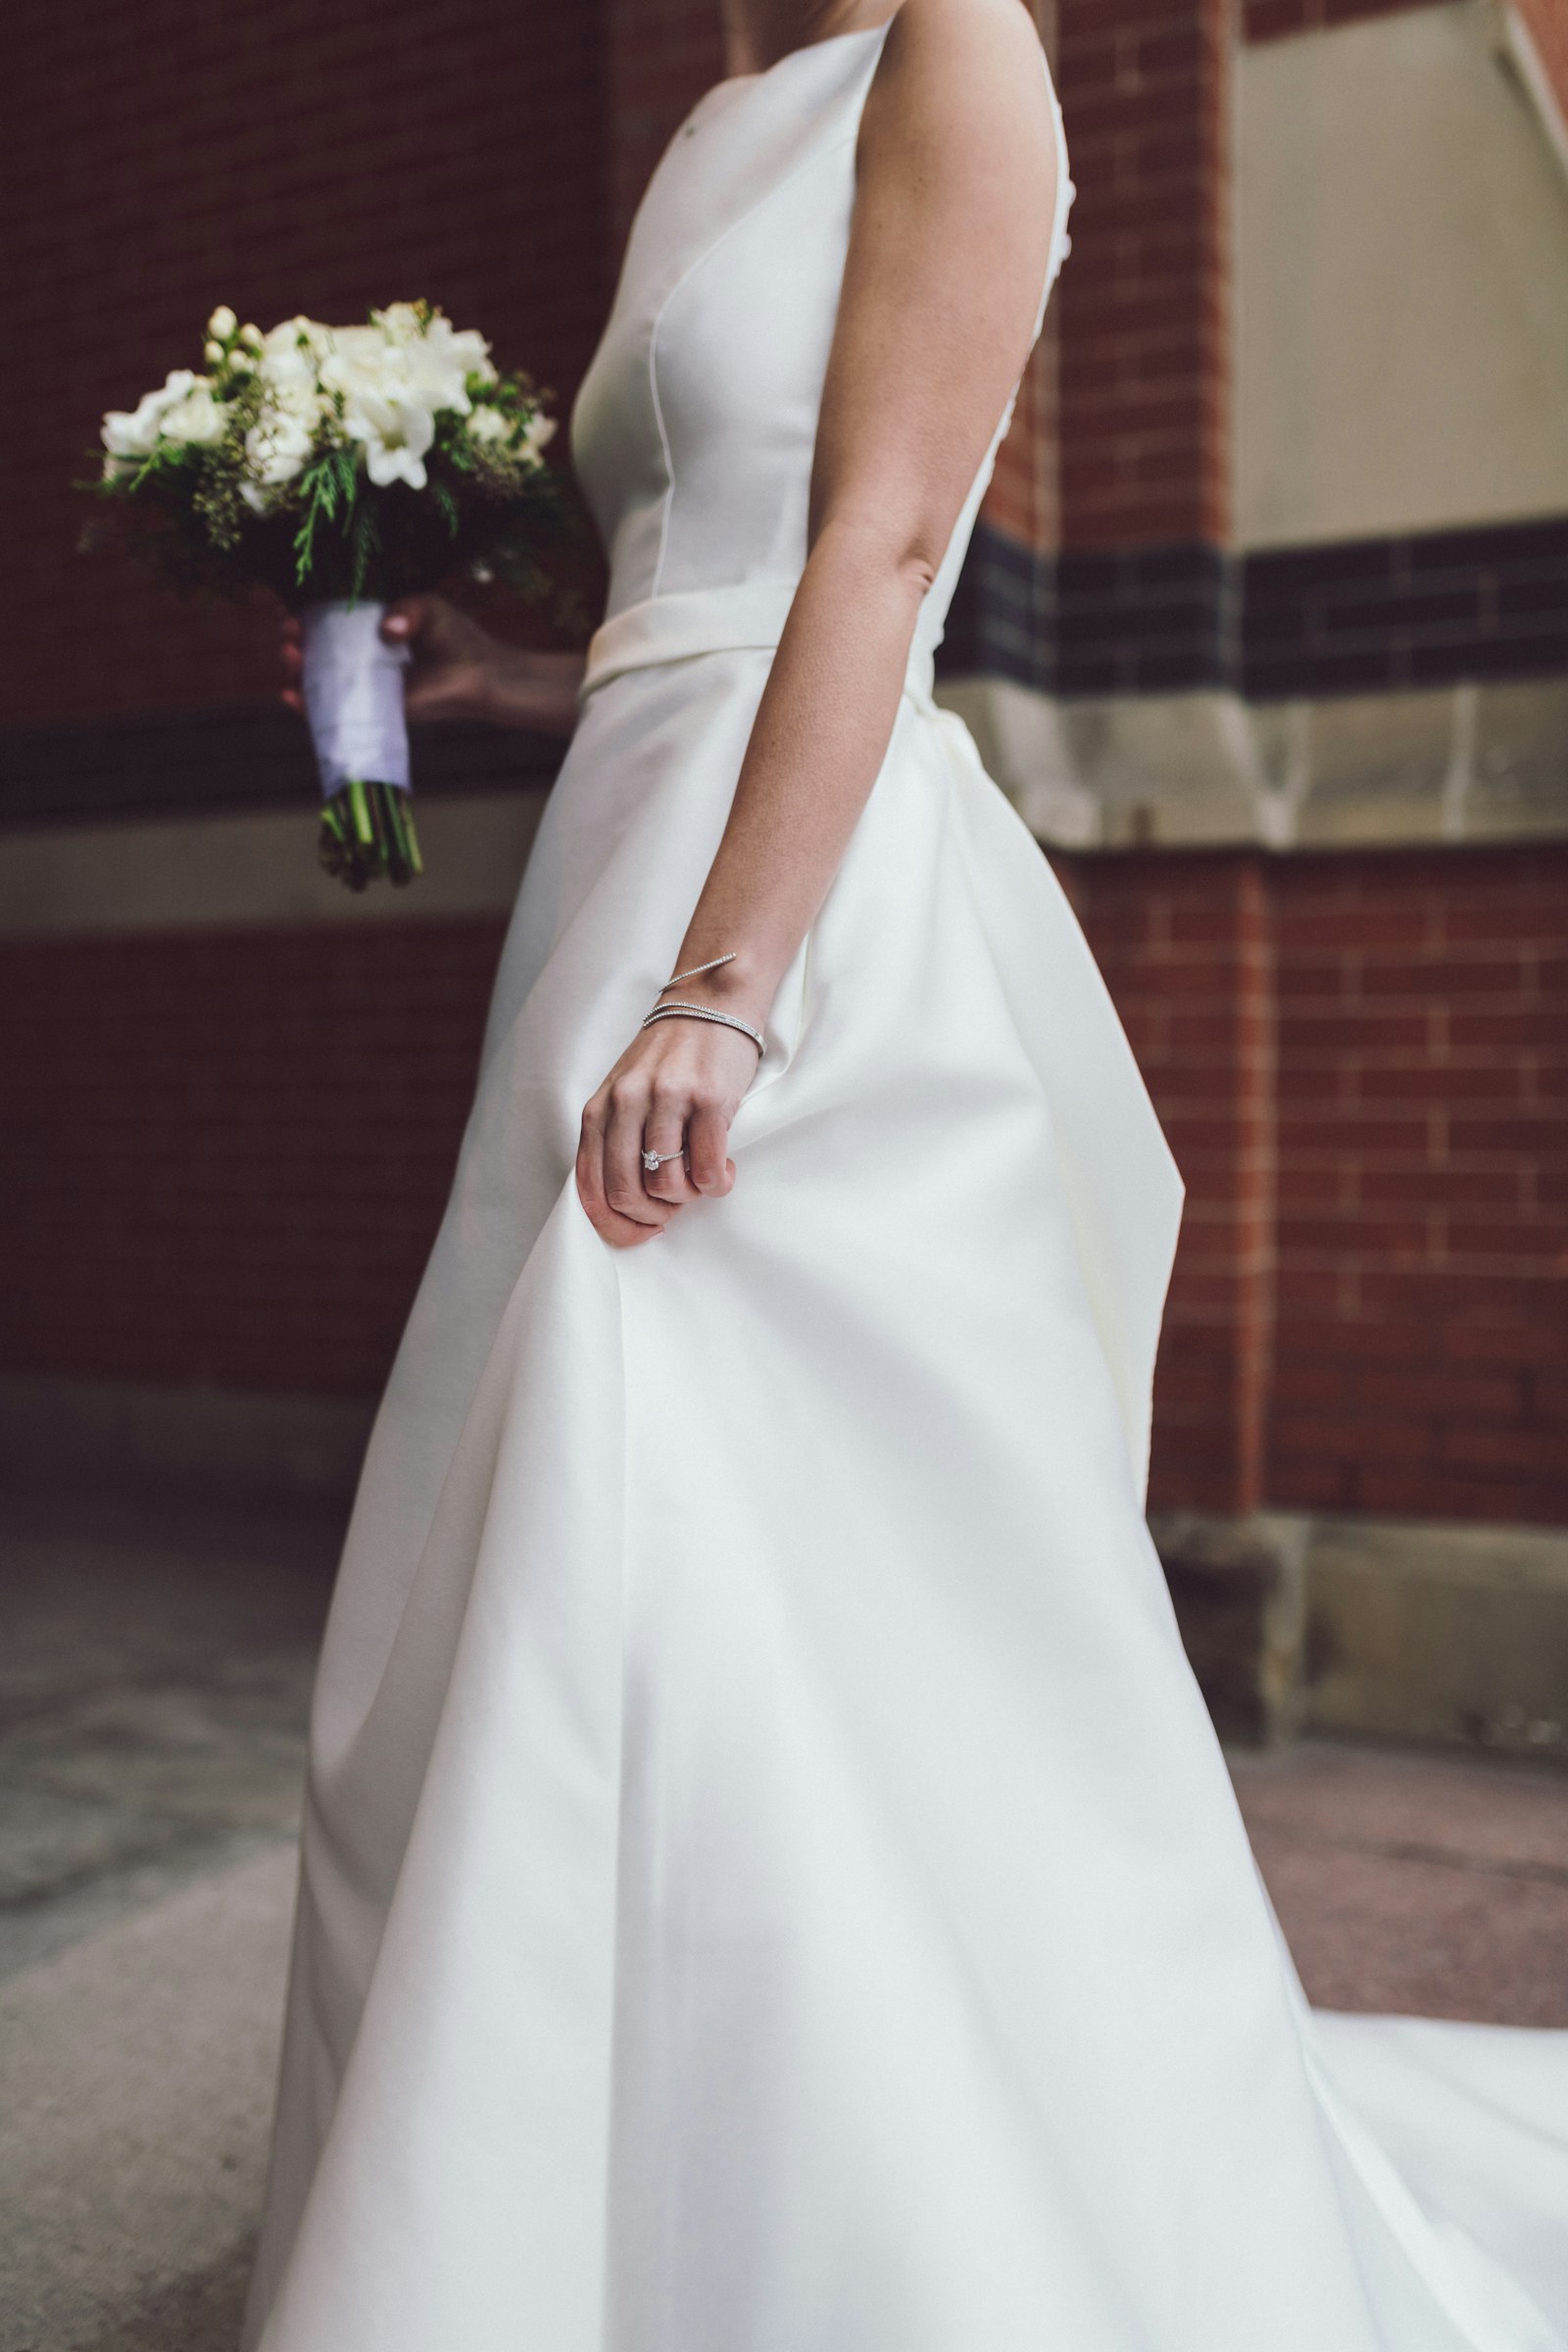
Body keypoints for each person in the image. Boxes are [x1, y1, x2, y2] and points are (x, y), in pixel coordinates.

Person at [249, 3, 1568, 2345]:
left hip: (797, 934)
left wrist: (728, 986)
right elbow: (710, 577)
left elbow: (875, 542)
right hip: (615, 875)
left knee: (755, 1554)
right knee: (556, 1558)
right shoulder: (716, 115)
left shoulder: (971, 45)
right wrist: (497, 676)